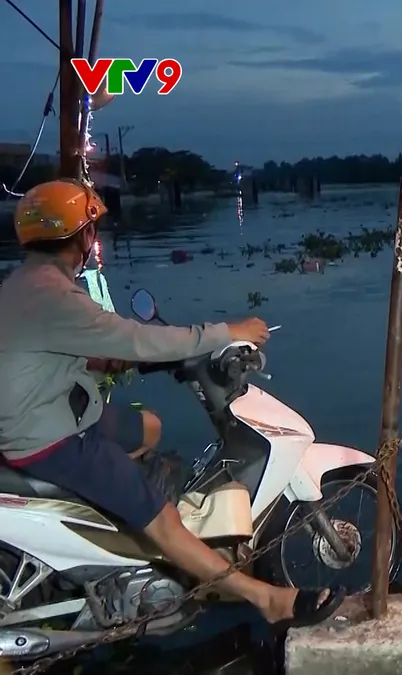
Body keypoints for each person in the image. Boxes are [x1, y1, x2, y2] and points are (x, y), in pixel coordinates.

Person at [0, 179, 343, 628]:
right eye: (92, 230)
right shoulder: (57, 297)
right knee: (164, 521)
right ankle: (266, 599)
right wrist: (228, 332)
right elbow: (140, 338)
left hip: (49, 411)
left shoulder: (23, 283)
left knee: (150, 428)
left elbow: (51, 350)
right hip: (52, 438)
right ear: (83, 236)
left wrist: (104, 359)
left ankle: (123, 529)